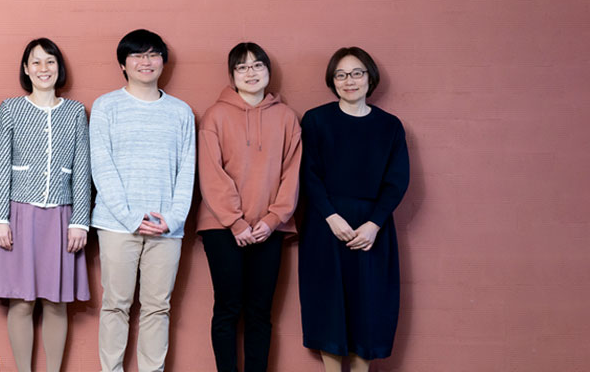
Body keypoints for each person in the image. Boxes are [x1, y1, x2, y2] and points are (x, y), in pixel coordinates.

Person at [0, 38, 90, 372]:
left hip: (62, 216)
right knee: (22, 301)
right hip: (18, 214)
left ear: (59, 67)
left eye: (50, 62)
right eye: (36, 63)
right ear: (26, 69)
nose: (44, 69)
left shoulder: (74, 112)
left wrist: (80, 220)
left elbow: (83, 169)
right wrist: (0, 218)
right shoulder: (11, 109)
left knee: (56, 303)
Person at [89, 29, 195, 372]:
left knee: (157, 307)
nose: (145, 62)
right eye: (137, 55)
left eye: (152, 55)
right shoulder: (106, 106)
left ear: (163, 61)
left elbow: (187, 172)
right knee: (116, 305)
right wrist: (131, 217)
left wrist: (173, 218)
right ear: (123, 64)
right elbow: (101, 167)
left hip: (166, 228)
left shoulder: (181, 112)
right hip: (117, 224)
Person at [299, 47, 408, 372]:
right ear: (332, 81)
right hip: (326, 225)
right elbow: (308, 173)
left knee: (369, 307)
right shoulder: (316, 120)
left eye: (357, 73)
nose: (350, 81)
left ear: (369, 77)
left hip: (372, 229)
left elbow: (397, 180)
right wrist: (330, 216)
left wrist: (375, 224)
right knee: (327, 305)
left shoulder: (390, 126)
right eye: (341, 75)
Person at [196, 42, 301, 372]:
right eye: (242, 67)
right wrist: (236, 222)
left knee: (260, 311)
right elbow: (211, 173)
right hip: (222, 228)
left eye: (257, 66)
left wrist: (272, 219)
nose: (251, 73)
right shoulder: (216, 115)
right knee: (227, 308)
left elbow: (291, 173)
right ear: (232, 76)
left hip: (269, 228)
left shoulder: (286, 117)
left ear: (268, 72)